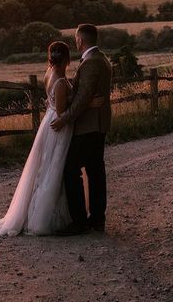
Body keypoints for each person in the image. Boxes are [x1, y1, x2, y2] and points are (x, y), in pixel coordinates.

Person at [0, 41, 73, 236]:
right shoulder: (61, 82)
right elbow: (62, 111)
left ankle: (34, 211)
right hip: (57, 125)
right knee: (53, 168)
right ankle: (44, 217)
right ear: (67, 58)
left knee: (43, 166)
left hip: (47, 120)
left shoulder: (48, 73)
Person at [51, 23, 112, 236]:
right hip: (98, 124)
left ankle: (80, 222)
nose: (75, 42)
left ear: (80, 40)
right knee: (95, 171)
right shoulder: (100, 58)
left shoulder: (91, 62)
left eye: (76, 39)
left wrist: (64, 119)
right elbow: (86, 97)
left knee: (71, 169)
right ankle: (96, 219)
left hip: (88, 126)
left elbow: (83, 97)